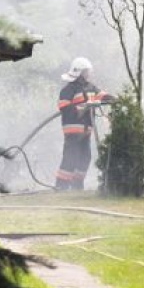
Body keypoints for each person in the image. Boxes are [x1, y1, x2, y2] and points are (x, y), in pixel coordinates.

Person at [55, 57, 113, 191]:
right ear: (80, 72)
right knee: (70, 157)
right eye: (87, 71)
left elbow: (102, 96)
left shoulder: (90, 87)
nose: (89, 73)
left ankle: (76, 186)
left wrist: (115, 99)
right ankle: (61, 186)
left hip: (86, 131)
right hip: (73, 131)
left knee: (85, 157)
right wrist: (80, 109)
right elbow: (63, 106)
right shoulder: (68, 89)